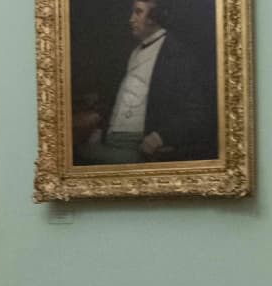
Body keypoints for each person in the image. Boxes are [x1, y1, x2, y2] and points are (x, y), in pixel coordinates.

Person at [74, 0, 217, 165]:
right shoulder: (134, 51)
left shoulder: (176, 54)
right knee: (79, 151)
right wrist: (101, 128)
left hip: (138, 146)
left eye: (138, 12)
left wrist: (160, 137)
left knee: (78, 155)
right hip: (110, 139)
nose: (131, 19)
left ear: (154, 16)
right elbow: (121, 98)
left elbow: (197, 113)